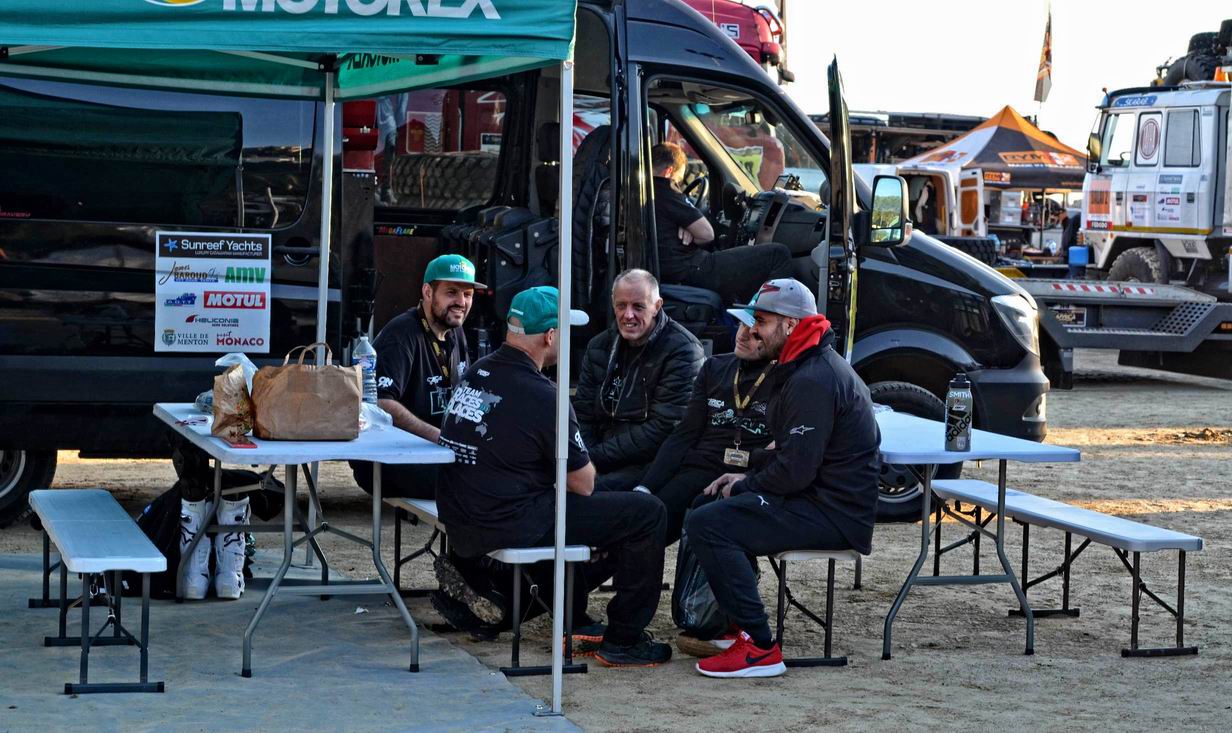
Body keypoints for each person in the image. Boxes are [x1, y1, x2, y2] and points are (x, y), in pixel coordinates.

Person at [436, 285, 674, 667]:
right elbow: (583, 483)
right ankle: (624, 640)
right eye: (565, 332)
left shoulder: (478, 371)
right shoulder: (545, 395)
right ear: (550, 336)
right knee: (648, 513)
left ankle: (562, 612)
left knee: (598, 499)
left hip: (465, 511)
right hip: (508, 520)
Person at [685, 278, 881, 679]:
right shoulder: (803, 364)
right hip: (818, 498)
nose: (752, 329)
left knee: (709, 523)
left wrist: (745, 483)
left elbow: (795, 471)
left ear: (791, 325)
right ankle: (735, 626)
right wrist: (746, 471)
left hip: (834, 514)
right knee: (707, 504)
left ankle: (759, 647)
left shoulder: (813, 377)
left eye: (762, 321)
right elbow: (791, 455)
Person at [631, 310, 781, 546]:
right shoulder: (714, 367)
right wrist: (646, 486)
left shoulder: (787, 377)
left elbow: (787, 451)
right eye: (741, 325)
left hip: (750, 474)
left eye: (754, 333)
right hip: (702, 466)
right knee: (649, 515)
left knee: (704, 515)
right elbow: (684, 433)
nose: (743, 335)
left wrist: (750, 477)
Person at [349, 254, 478, 499]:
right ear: (428, 292)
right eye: (451, 292)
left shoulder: (455, 332)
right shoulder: (402, 334)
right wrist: (440, 437)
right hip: (390, 458)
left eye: (468, 294)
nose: (461, 302)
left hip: (436, 453)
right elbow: (380, 402)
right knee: (474, 483)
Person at [574, 269, 704, 493]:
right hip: (597, 455)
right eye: (621, 306)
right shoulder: (598, 345)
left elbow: (663, 428)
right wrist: (585, 458)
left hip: (649, 463)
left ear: (657, 306)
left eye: (638, 306)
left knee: (583, 494)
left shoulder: (684, 350)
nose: (628, 315)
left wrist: (592, 458)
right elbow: (583, 413)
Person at [651, 142, 794, 306]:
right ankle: (769, 318)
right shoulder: (664, 188)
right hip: (692, 269)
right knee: (778, 254)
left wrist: (685, 223)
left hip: (676, 269)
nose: (677, 184)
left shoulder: (647, 190)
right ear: (669, 171)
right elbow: (706, 235)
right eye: (678, 180)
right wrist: (690, 225)